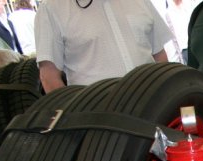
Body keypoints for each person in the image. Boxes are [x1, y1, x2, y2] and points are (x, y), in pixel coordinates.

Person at [35, 0, 171, 92]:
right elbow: (49, 77)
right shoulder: (52, 8)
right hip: (99, 123)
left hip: (153, 107)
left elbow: (160, 56)